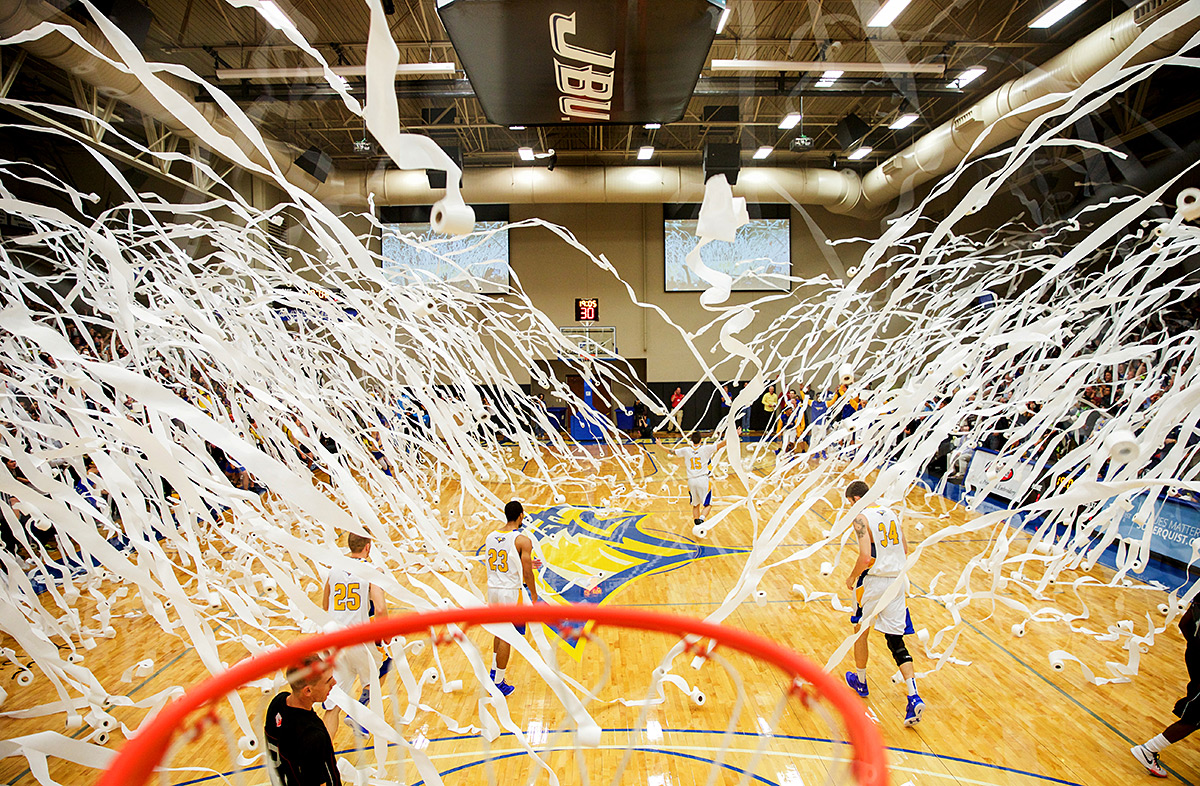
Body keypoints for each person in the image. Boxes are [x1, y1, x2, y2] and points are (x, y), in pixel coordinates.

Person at [842, 480, 926, 726]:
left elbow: (866, 556)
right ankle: (913, 695)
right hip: (897, 582)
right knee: (895, 640)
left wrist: (852, 576)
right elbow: (906, 548)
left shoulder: (860, 519)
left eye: (849, 504)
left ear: (856, 500)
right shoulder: (891, 512)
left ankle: (861, 680)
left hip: (873, 583)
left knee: (860, 631)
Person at [322, 532, 387, 737]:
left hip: (333, 639)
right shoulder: (371, 572)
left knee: (334, 701)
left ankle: (324, 757)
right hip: (357, 638)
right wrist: (383, 636)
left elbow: (325, 604)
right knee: (384, 667)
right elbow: (380, 608)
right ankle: (360, 715)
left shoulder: (334, 570)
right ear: (368, 547)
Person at [1131, 598, 1200, 777]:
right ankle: (1148, 749)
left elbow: (1184, 623)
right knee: (1194, 717)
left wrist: (1194, 647)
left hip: (1194, 655)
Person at [483, 500, 539, 697]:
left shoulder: (491, 536)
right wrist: (533, 593)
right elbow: (526, 571)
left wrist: (529, 563)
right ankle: (498, 682)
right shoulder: (523, 540)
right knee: (508, 635)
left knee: (498, 631)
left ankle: (493, 672)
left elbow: (506, 559)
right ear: (521, 515)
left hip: (493, 590)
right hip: (510, 592)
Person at [264, 654, 341, 786]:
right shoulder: (314, 735)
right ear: (308, 691)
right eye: (328, 680)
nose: (334, 683)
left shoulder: (276, 704)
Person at [674, 431, 731, 529]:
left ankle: (697, 524)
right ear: (701, 440)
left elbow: (671, 451)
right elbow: (723, 443)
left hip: (691, 481)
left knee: (695, 505)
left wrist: (659, 445)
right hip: (703, 480)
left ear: (691, 440)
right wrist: (734, 434)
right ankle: (701, 518)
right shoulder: (706, 449)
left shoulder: (686, 450)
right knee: (708, 504)